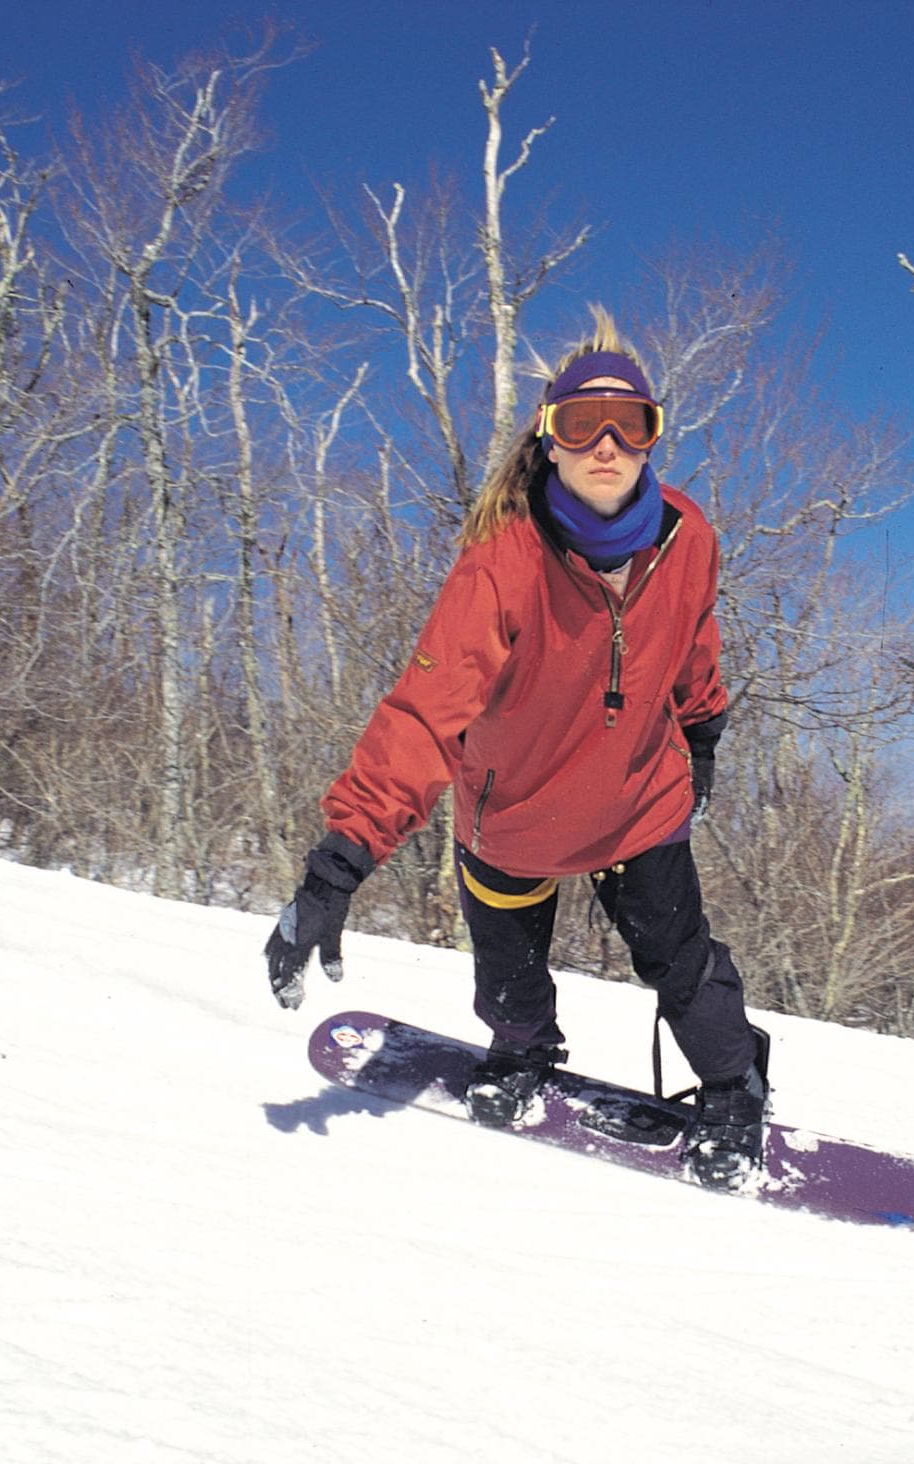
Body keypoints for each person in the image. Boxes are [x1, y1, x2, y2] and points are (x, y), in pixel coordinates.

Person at [263, 307, 771, 1189]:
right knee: (507, 970)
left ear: (654, 437)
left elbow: (695, 643)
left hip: (638, 802)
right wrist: (339, 861)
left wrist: (704, 728)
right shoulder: (502, 561)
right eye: (582, 424)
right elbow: (427, 710)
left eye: (630, 424)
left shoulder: (690, 539)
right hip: (513, 813)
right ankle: (524, 1051)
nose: (606, 444)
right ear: (551, 437)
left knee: (682, 961)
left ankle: (733, 1090)